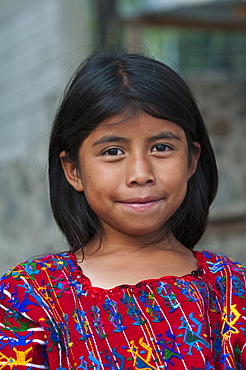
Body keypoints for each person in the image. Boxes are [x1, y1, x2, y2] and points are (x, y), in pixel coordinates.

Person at [0, 49, 245, 370]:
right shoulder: (26, 297)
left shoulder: (232, 291)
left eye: (161, 147)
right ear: (73, 170)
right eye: (113, 151)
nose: (141, 173)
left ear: (192, 160)